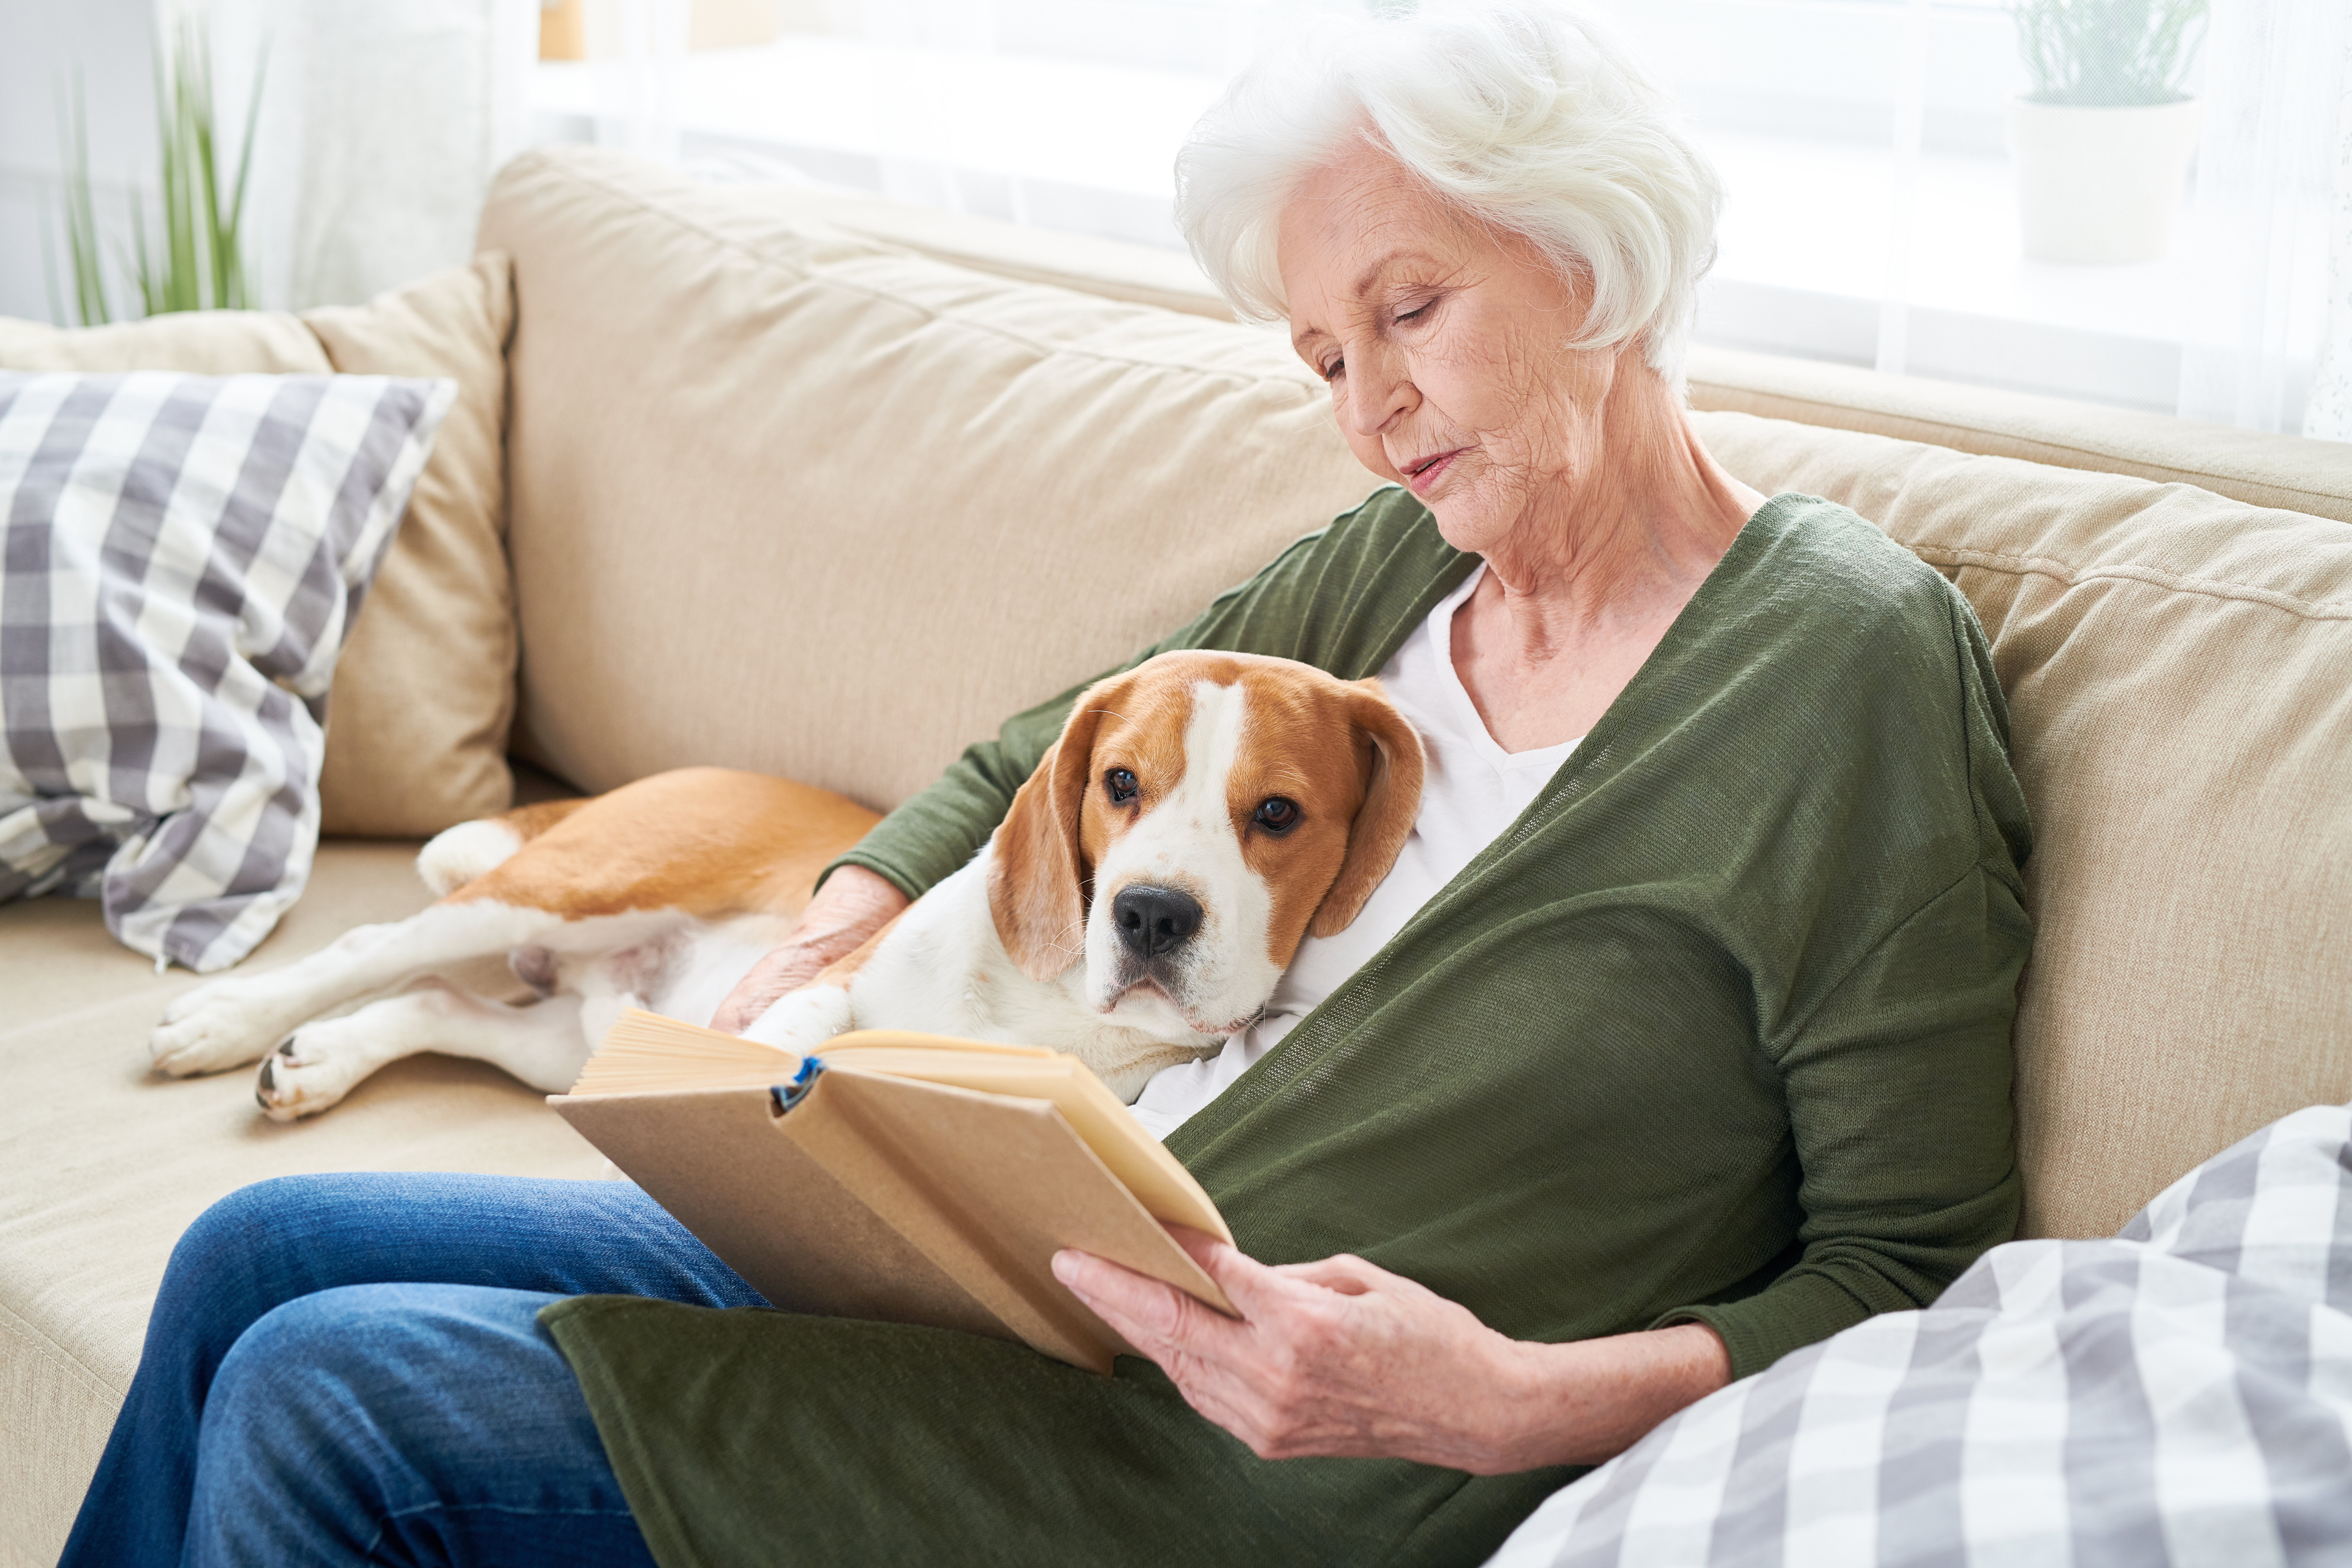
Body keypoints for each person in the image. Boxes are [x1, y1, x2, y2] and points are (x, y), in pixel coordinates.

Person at [61, 3, 2033, 1565]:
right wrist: (835, 922)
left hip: (1224, 1465)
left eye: (1409, 314)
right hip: (1005, 1269)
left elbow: (1914, 1262)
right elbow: (1046, 746)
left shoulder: (1840, 667)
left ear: (1598, 252)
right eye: (1326, 358)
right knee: (261, 1249)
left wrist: (1499, 1399)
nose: (1374, 417)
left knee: (336, 1388)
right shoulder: (1401, 565)